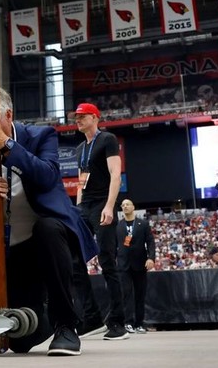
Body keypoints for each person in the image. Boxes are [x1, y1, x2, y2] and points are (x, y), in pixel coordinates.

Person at [0, 88, 98, 356]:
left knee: (47, 228)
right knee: (22, 341)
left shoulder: (40, 135)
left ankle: (66, 326)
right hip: (12, 251)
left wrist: (5, 144)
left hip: (46, 239)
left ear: (8, 115)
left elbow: (47, 176)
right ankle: (57, 315)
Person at [73, 102, 129, 341]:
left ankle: (118, 322)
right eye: (76, 116)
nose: (78, 119)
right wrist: (76, 209)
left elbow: (116, 174)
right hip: (84, 206)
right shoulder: (79, 149)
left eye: (82, 116)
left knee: (107, 260)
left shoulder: (107, 139)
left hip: (102, 204)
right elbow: (80, 181)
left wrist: (109, 206)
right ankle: (92, 317)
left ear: (95, 117)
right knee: (74, 258)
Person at [115, 199, 154, 335]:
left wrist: (151, 258)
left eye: (127, 204)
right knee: (126, 294)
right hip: (123, 265)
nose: (125, 206)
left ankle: (139, 323)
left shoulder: (142, 224)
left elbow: (150, 242)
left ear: (133, 207)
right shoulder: (118, 226)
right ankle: (128, 322)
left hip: (140, 263)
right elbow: (114, 245)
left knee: (140, 294)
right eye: (123, 205)